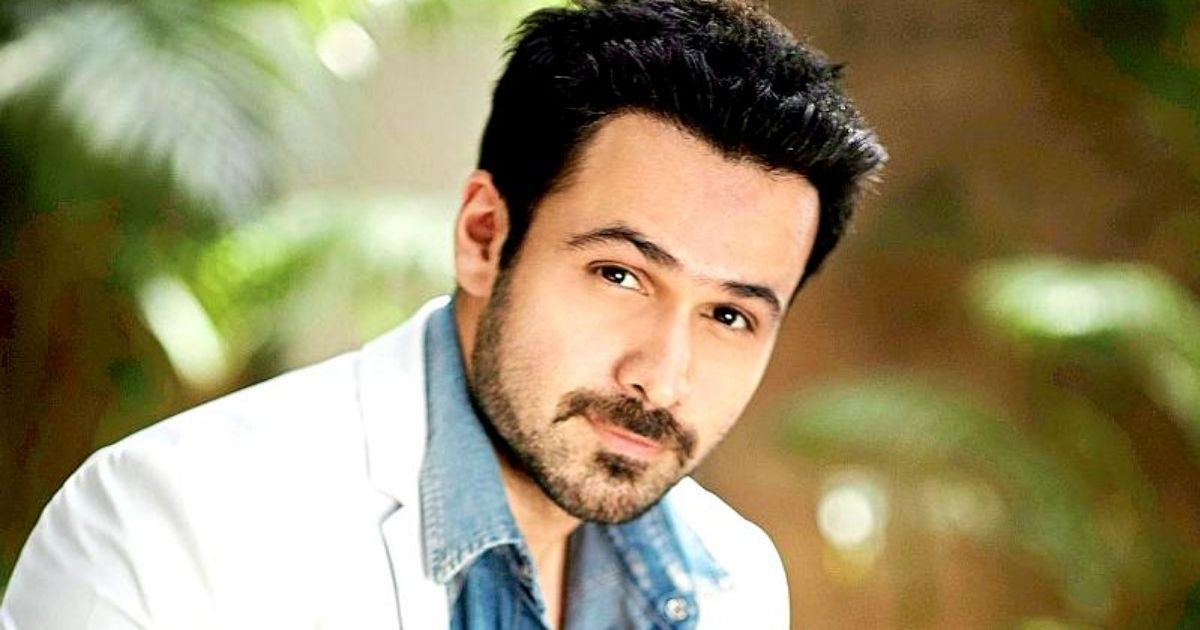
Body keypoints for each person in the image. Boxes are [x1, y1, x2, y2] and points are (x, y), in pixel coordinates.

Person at [0, 0, 885, 628]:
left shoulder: (734, 581)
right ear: (483, 236)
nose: (661, 375)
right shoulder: (165, 526)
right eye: (620, 275)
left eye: (729, 316)